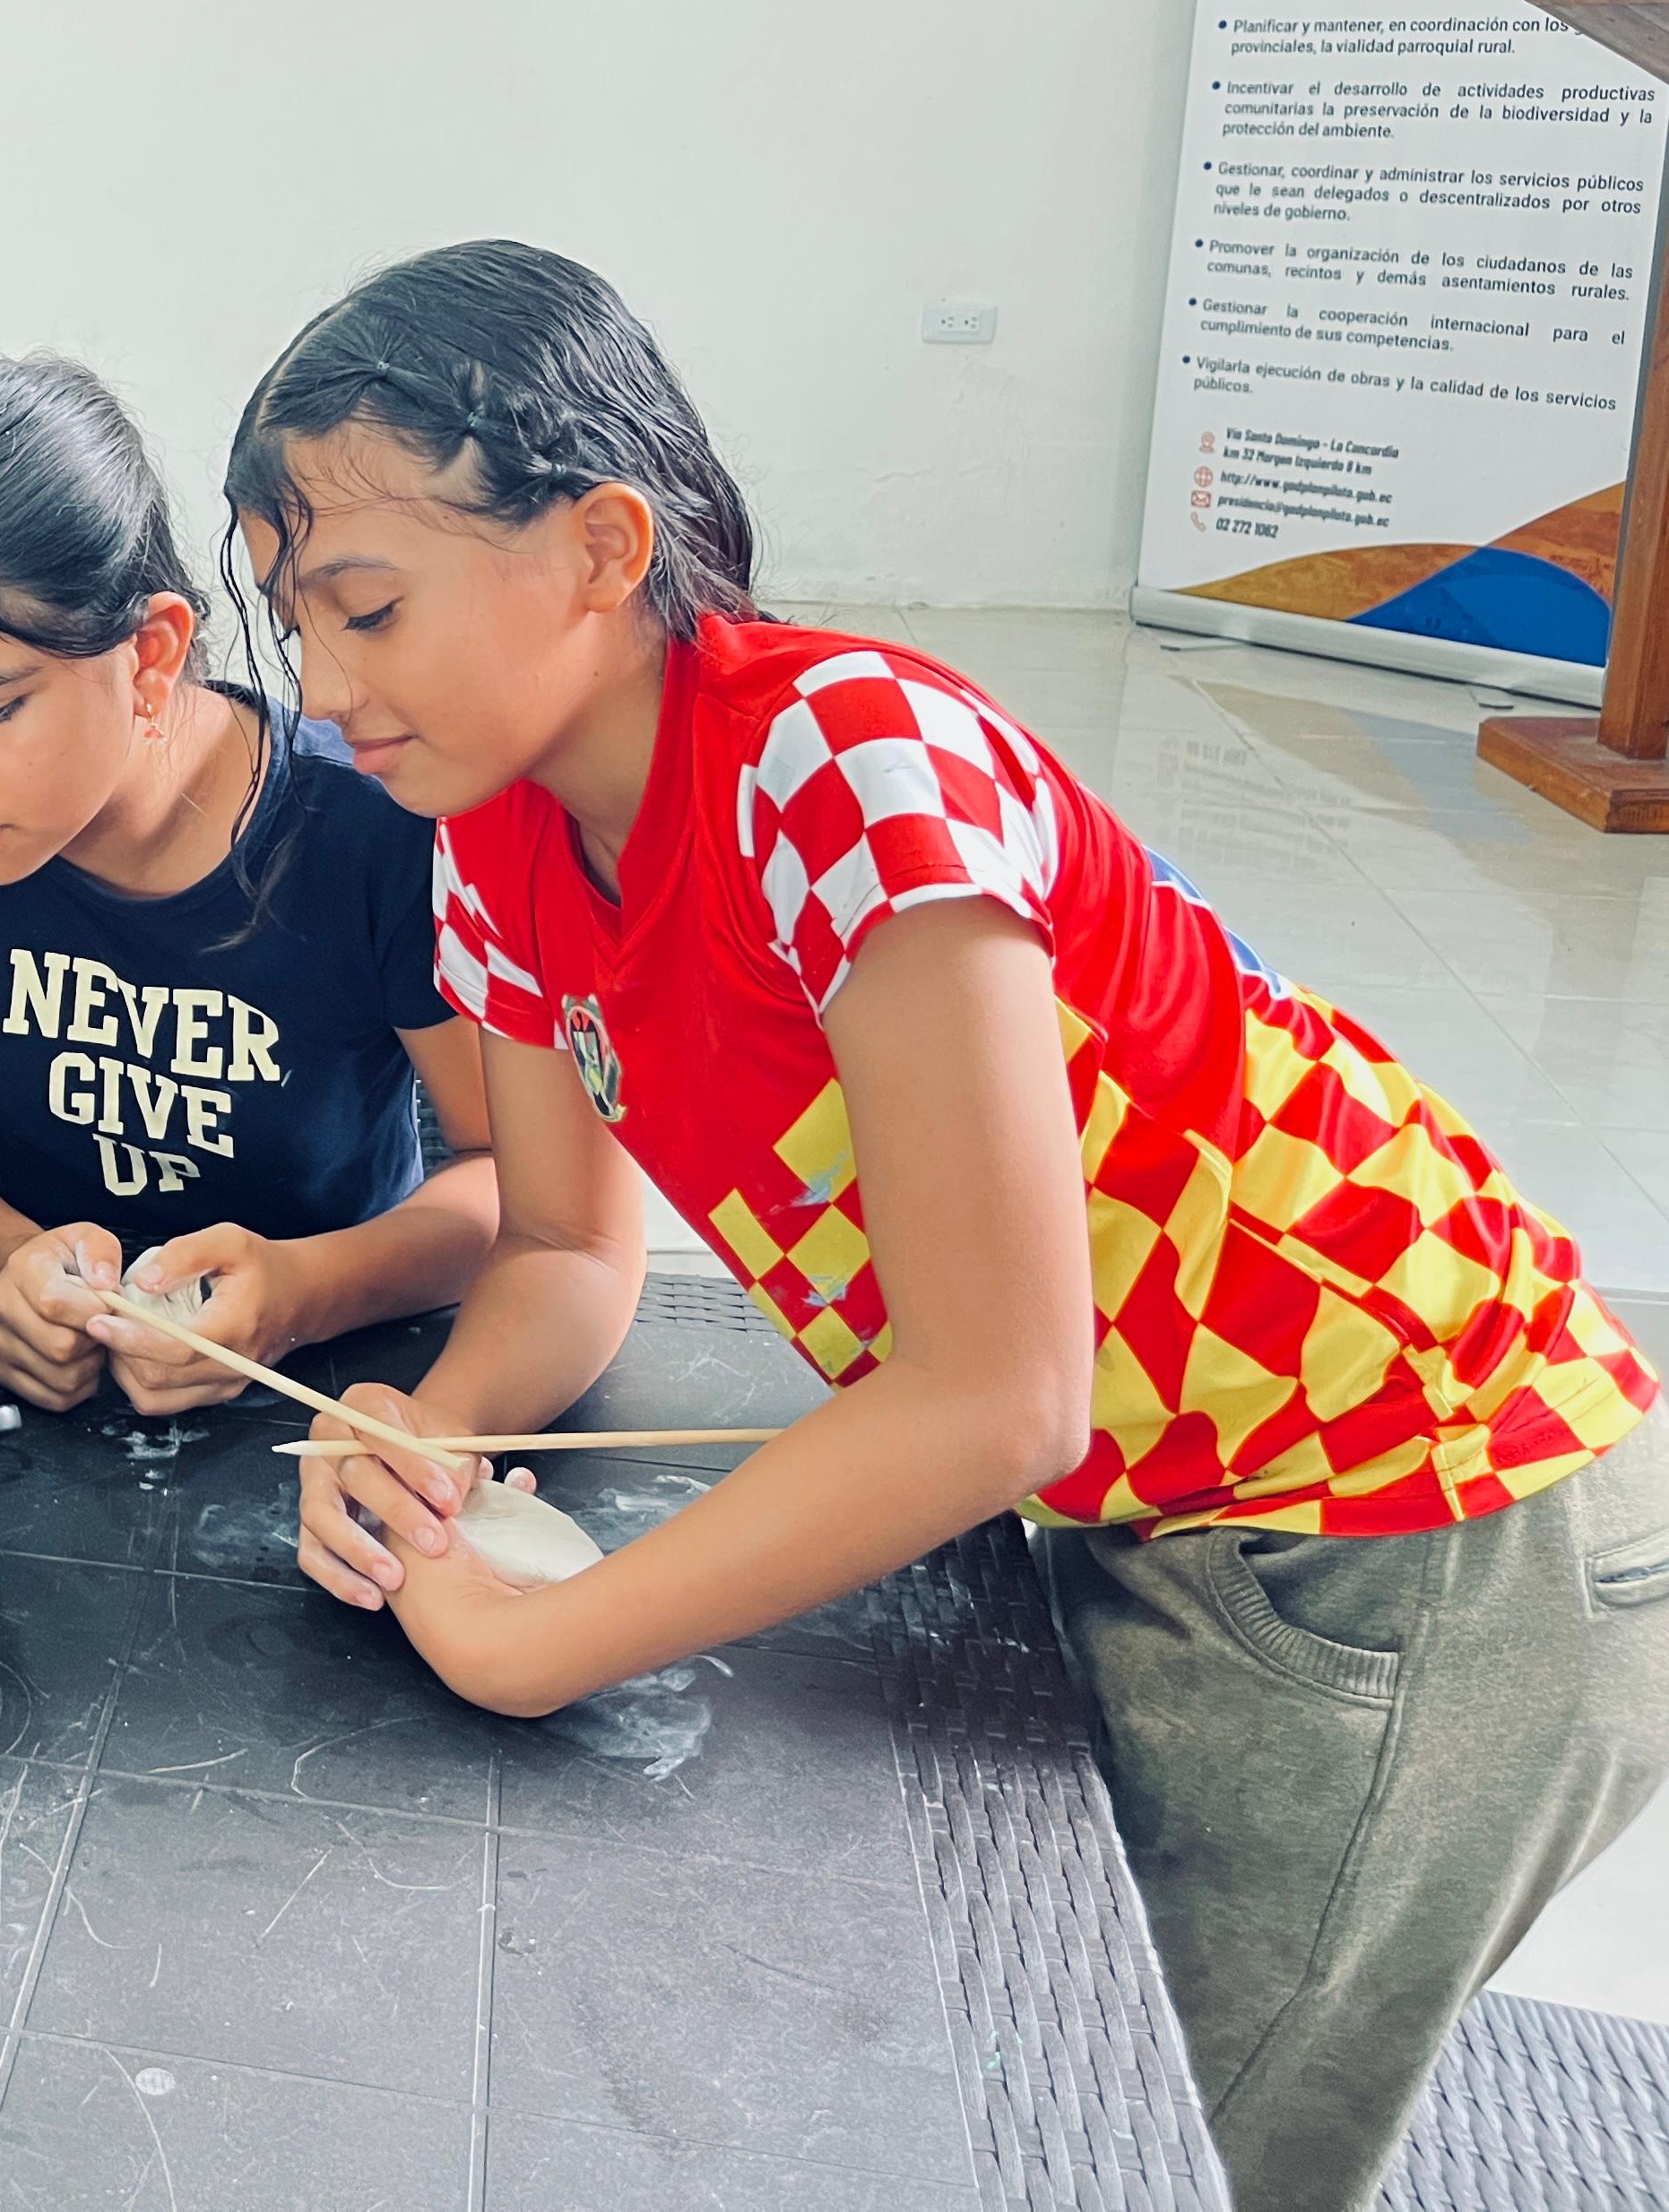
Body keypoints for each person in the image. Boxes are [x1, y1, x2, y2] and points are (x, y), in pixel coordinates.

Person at [236, 240, 1669, 2212]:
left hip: (1418, 1525)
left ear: (599, 546)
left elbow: (996, 1395)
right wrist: (434, 1424)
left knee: (1143, 2155)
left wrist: (549, 1640)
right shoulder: (490, 838)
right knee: (1029, 2087)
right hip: (1156, 1510)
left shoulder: (839, 762)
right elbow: (564, 1247)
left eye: (368, 607)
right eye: (297, 622)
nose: (324, 689)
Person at [0, 354, 507, 1414]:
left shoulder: (373, 823)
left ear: (150, 653)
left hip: (337, 1389)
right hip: (20, 1383)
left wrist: (302, 1293)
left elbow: (512, 1181)